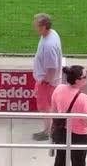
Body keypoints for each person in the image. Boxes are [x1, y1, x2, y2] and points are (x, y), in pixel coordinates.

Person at [50, 65, 87, 166]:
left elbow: (54, 111)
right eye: (84, 77)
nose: (86, 78)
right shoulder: (84, 98)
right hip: (79, 136)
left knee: (60, 160)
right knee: (79, 162)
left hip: (61, 132)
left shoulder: (58, 89)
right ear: (77, 80)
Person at [31, 13, 63, 141]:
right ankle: (50, 130)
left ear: (43, 27)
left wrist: (43, 82)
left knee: (45, 107)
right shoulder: (51, 34)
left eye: (36, 25)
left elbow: (52, 68)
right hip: (49, 81)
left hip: (47, 82)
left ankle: (48, 132)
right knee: (48, 106)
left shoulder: (49, 46)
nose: (34, 27)